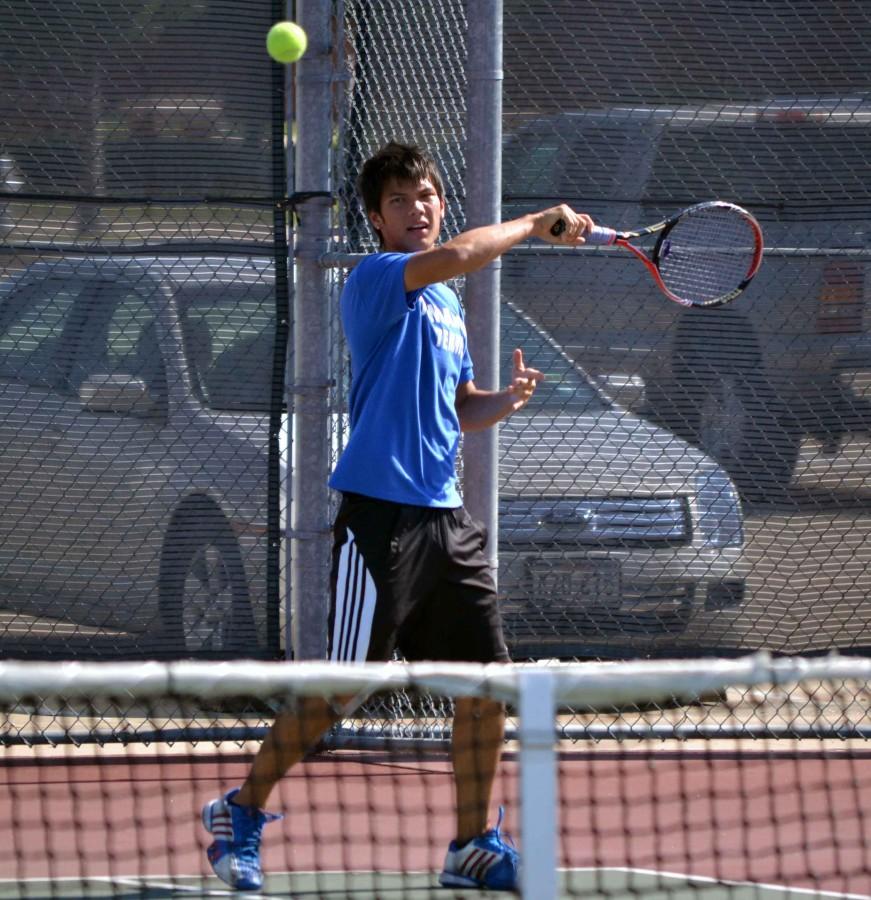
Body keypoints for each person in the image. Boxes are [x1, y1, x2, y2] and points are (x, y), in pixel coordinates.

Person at [201, 141, 593, 892]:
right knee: (341, 687)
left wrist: (500, 404)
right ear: (377, 221)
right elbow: (459, 256)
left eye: (425, 196)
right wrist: (534, 221)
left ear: (440, 202)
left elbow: (457, 406)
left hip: (447, 522)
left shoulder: (444, 310)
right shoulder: (382, 279)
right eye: (399, 201)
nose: (416, 208)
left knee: (487, 688)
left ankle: (471, 844)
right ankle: (238, 810)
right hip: (380, 521)